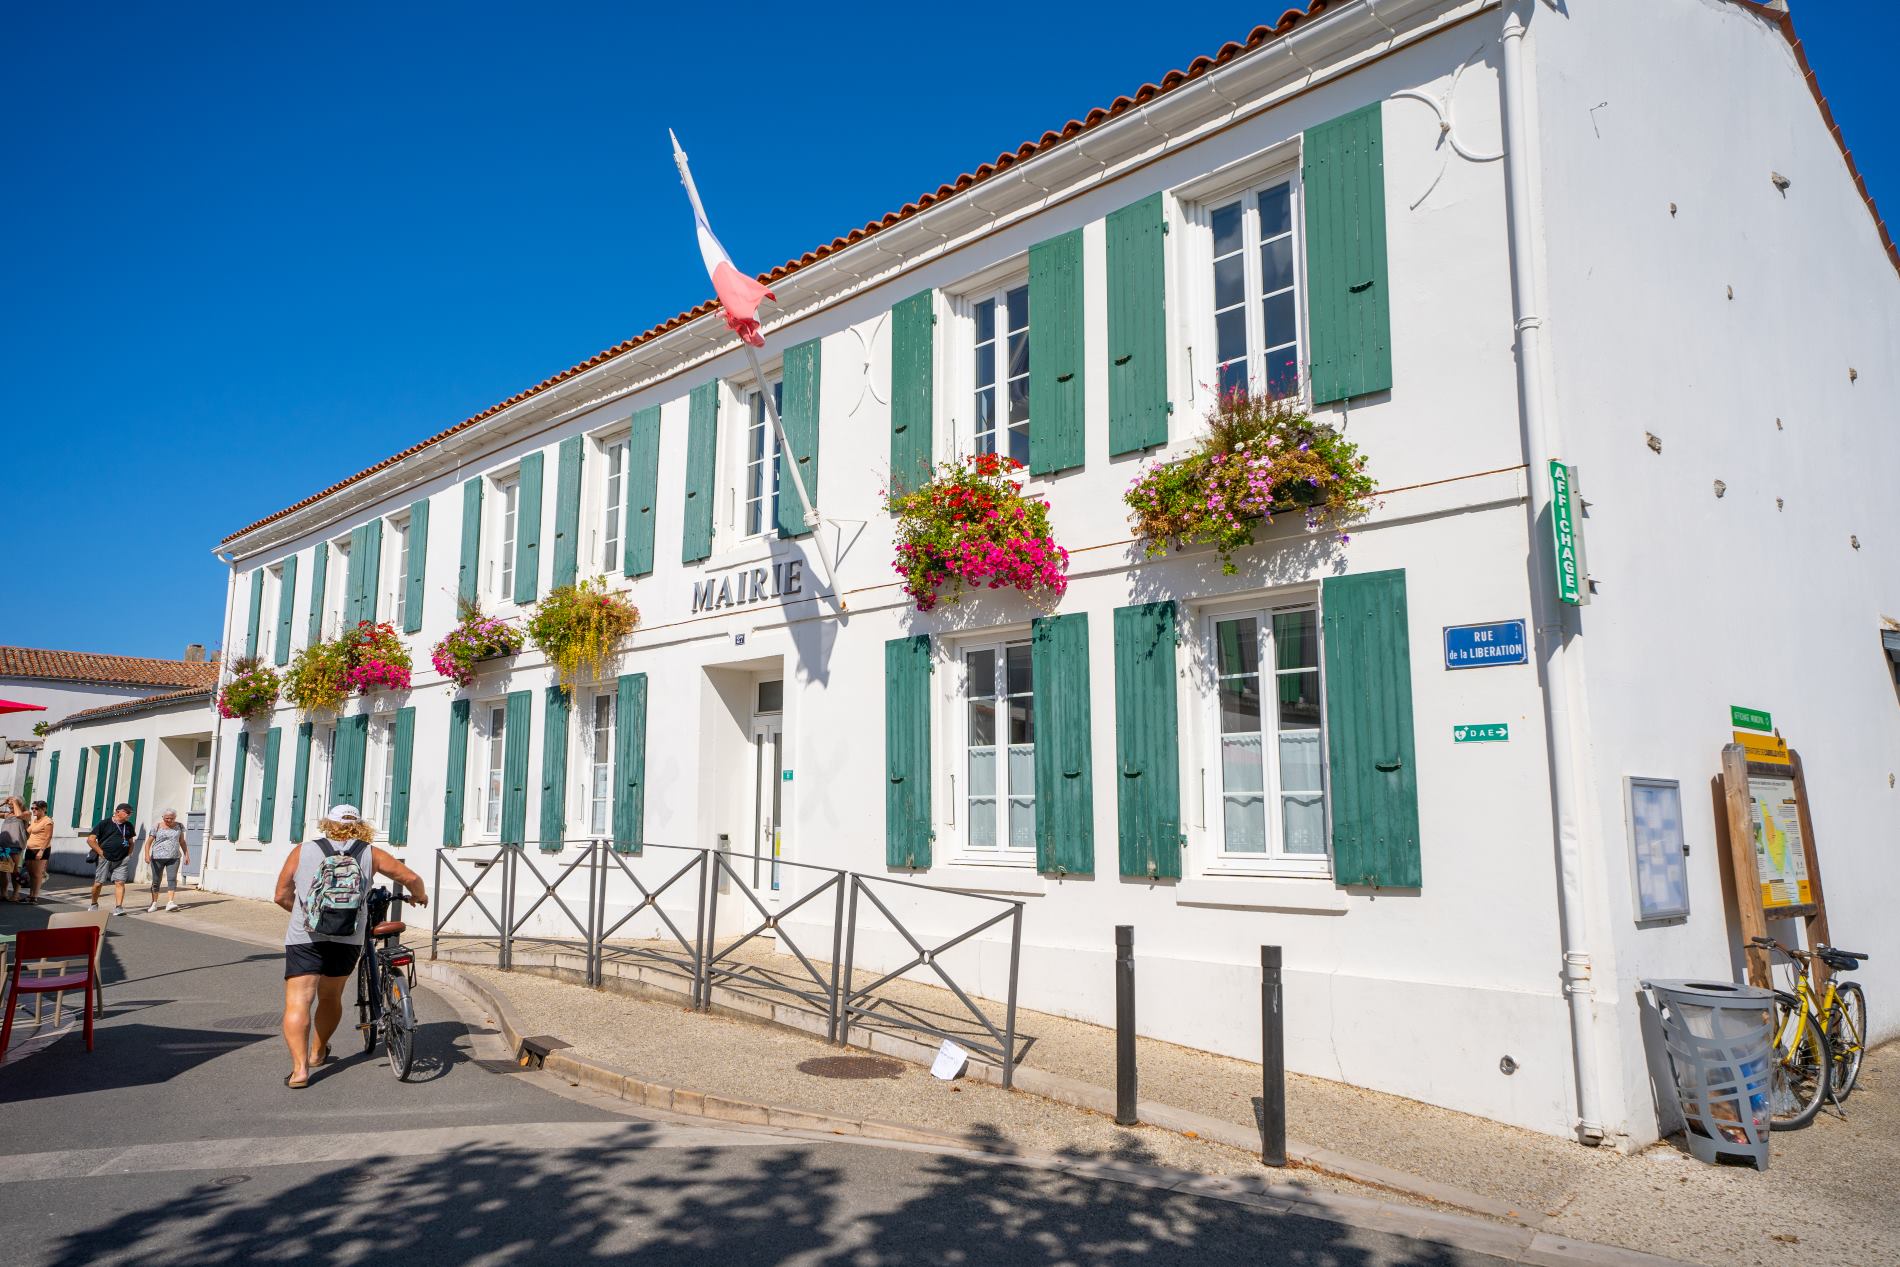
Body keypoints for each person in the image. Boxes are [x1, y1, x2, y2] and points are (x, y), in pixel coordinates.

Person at [273, 804, 427, 1089]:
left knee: (298, 1001)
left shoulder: (302, 851)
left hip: (305, 936)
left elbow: (281, 895)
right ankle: (318, 1052)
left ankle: (299, 1071)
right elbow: (411, 878)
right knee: (330, 997)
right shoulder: (370, 853)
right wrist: (420, 895)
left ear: (327, 824)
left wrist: (307, 915)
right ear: (361, 826)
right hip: (348, 936)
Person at [86, 802, 138, 915]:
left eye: (131, 813)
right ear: (118, 812)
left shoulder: (128, 826)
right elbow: (90, 839)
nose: (129, 815)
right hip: (105, 858)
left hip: (122, 858)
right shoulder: (104, 823)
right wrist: (100, 852)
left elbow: (131, 842)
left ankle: (119, 907)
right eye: (127, 812)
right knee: (99, 883)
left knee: (120, 882)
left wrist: (129, 855)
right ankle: (94, 903)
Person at [143, 809, 190, 912]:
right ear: (163, 817)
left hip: (174, 857)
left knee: (172, 879)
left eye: (171, 818)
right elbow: (148, 843)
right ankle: (154, 903)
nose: (169, 820)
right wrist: (147, 855)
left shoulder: (179, 826)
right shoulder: (157, 826)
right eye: (167, 818)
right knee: (156, 881)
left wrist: (187, 855)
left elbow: (182, 841)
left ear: (175, 818)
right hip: (157, 858)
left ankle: (170, 902)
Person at [23, 800, 54, 904]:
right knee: (31, 874)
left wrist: (41, 851)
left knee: (37, 874)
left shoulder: (47, 821)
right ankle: (30, 895)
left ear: (44, 809)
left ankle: (34, 897)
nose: (33, 810)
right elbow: (29, 833)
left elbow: (48, 836)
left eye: (36, 808)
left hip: (40, 849)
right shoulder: (34, 820)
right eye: (32, 808)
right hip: (30, 849)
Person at [0, 796, 24, 902]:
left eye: (12, 804)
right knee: (2, 870)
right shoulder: (7, 815)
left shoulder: (25, 814)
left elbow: (19, 815)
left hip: (15, 846)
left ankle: (16, 894)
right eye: (9, 805)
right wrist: (3, 802)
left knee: (14, 871)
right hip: (3, 846)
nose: (10, 806)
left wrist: (14, 801)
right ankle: (4, 893)